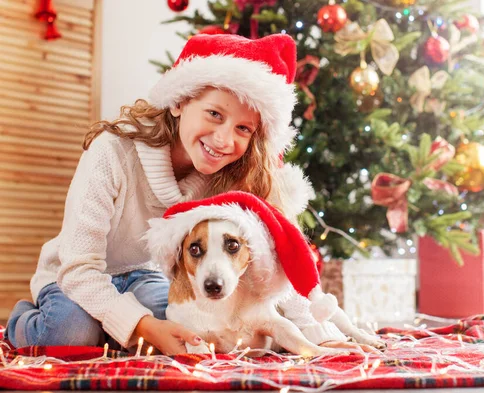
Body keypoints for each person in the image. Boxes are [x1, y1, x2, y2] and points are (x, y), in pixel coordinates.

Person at [5, 33, 362, 355]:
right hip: (72, 273)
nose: (224, 140)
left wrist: (318, 330)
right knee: (70, 334)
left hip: (145, 276)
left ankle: (114, 329)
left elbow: (280, 260)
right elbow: (79, 266)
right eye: (213, 114)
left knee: (186, 329)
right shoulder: (112, 153)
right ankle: (22, 321)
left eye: (242, 128)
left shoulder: (232, 178)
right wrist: (144, 326)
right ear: (178, 102)